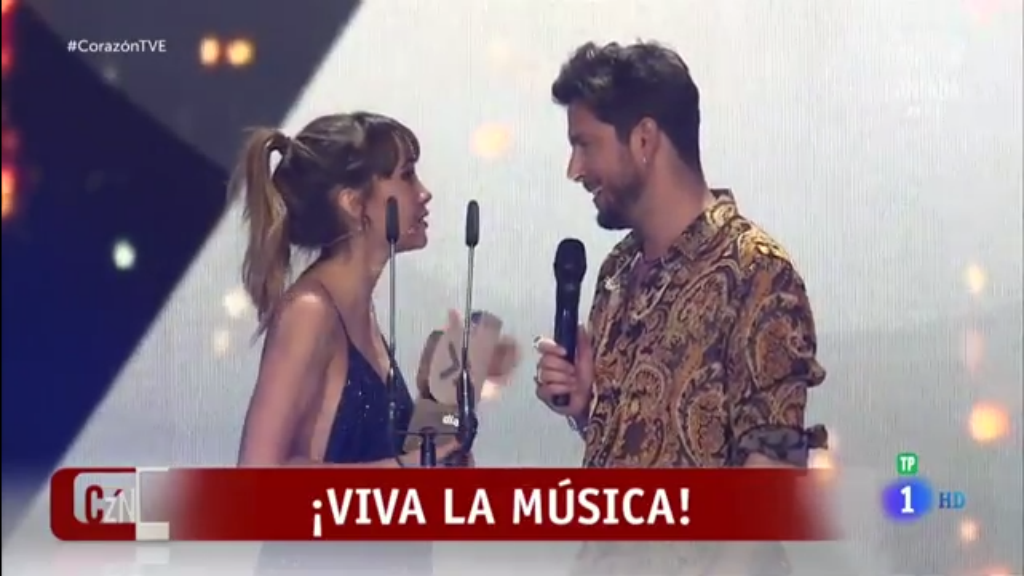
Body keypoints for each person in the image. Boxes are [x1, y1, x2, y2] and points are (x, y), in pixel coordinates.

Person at [533, 41, 828, 575]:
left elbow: (771, 471)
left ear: (644, 139)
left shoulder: (754, 271)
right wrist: (585, 408)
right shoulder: (617, 270)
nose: (574, 169)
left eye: (585, 145)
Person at [231, 112, 456, 574]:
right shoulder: (310, 313)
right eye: (407, 175)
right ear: (355, 203)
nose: (424, 193)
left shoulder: (361, 312)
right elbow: (258, 482)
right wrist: (405, 471)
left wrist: (444, 397)